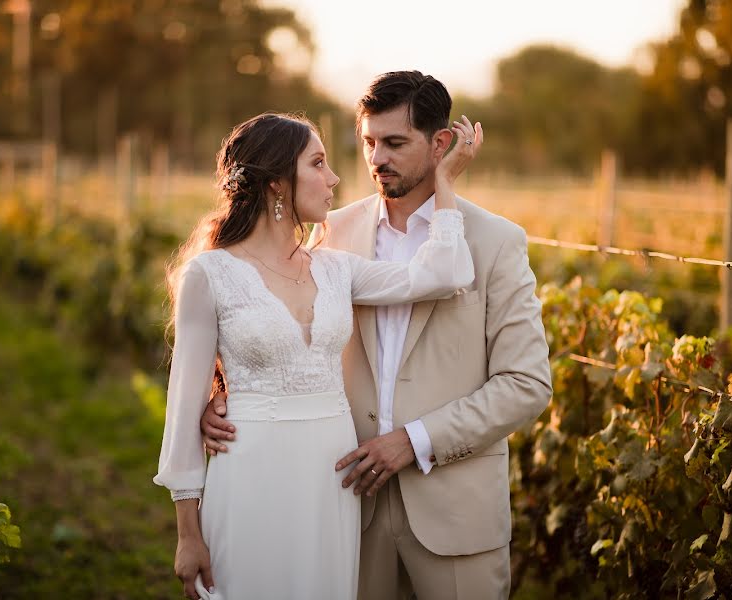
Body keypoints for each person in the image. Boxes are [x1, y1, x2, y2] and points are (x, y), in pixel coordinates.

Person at [201, 71, 552, 599]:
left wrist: (413, 442)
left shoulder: (496, 242)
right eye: (368, 141)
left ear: (440, 145)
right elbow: (281, 327)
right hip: (344, 505)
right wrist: (226, 397)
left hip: (455, 515)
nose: (375, 158)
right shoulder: (331, 230)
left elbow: (527, 384)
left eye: (394, 143)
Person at [153, 110, 482, 600]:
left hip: (330, 480)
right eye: (318, 163)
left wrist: (444, 180)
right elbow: (183, 412)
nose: (334, 179)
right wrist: (187, 532)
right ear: (278, 183)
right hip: (249, 474)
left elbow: (444, 273)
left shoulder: (337, 271)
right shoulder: (209, 275)